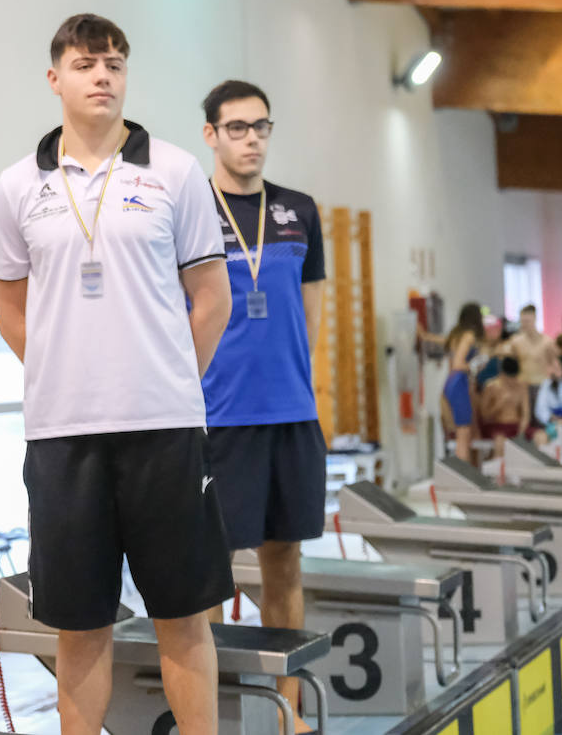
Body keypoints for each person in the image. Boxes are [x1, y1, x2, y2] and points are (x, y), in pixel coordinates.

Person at [0, 14, 233, 735]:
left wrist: (163, 380)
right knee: (80, 626)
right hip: (64, 439)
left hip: (165, 431)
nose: (103, 76)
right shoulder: (16, 186)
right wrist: (67, 373)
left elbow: (212, 298)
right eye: (87, 63)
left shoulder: (176, 170)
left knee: (183, 619)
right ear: (54, 78)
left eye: (115, 64)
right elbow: (9, 305)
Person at [196, 79, 326, 731]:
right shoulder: (190, 210)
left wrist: (295, 384)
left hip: (292, 415)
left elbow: (311, 314)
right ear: (211, 135)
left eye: (261, 127)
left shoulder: (300, 210)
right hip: (220, 419)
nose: (252, 139)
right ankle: (215, 713)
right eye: (238, 127)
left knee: (285, 563)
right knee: (211, 575)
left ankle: (289, 715)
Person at [441, 303, 486, 461]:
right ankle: (463, 473)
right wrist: (476, 364)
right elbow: (458, 364)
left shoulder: (456, 334)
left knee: (463, 431)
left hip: (451, 382)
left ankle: (463, 469)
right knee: (463, 432)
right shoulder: (468, 336)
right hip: (458, 382)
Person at [507, 304, 557, 427]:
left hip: (541, 386)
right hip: (523, 386)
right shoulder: (515, 342)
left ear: (534, 319)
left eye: (527, 321)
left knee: (541, 423)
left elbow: (555, 365)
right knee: (523, 422)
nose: (525, 324)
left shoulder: (547, 342)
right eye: (522, 321)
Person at [478, 356, 530, 456]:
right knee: (500, 441)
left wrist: (521, 432)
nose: (512, 381)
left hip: (516, 426)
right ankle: (499, 470)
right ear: (502, 374)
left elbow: (526, 413)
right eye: (509, 378)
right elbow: (485, 416)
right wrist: (498, 405)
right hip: (497, 427)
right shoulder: (491, 386)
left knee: (540, 436)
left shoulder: (522, 386)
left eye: (514, 377)